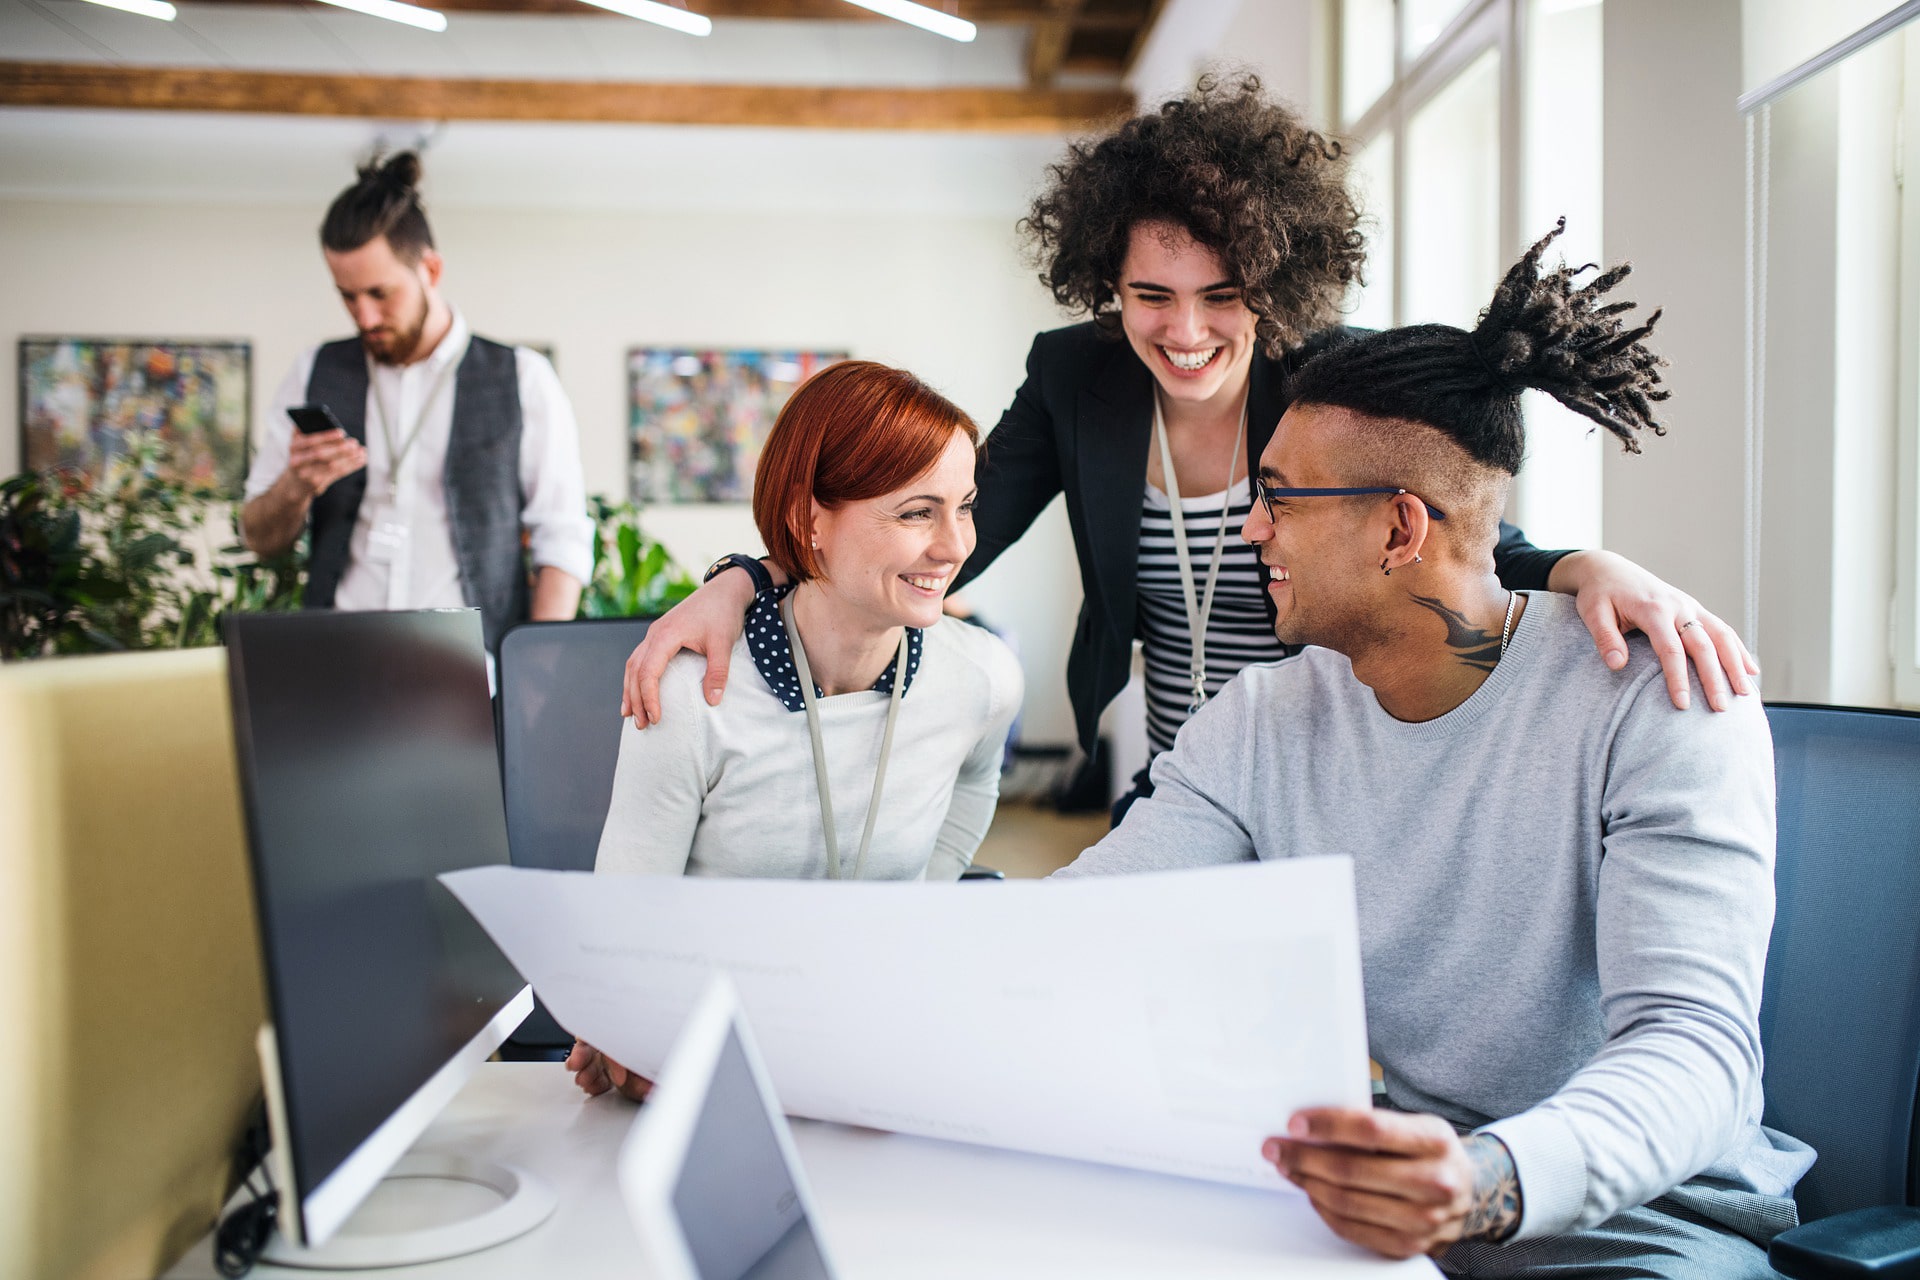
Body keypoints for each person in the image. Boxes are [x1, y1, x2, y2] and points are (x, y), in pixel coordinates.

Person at [615, 77, 1755, 821]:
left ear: (1272, 281)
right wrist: (749, 575)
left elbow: (1453, 532)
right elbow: (932, 528)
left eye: (1223, 294)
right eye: (1150, 295)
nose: (1188, 331)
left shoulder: (1328, 383)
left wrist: (1582, 567)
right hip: (1181, 778)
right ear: (1104, 286)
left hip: (1336, 771)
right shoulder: (1077, 378)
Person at [1054, 225, 1813, 1276]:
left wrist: (1482, 1181)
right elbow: (1079, 931)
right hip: (1389, 1196)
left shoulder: (1662, 700)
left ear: (1400, 529)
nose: (1251, 532)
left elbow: (1697, 1052)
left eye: (1279, 499)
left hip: (1640, 1217)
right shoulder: (1263, 720)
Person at [569, 360, 1024, 1101]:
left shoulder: (981, 679)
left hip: (877, 1055)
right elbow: (625, 927)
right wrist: (627, 1024)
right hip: (716, 1057)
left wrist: (918, 903)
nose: (954, 546)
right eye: (916, 512)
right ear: (811, 518)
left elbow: (975, 781)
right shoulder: (693, 695)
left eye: (963, 506)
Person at [241, 152, 593, 655]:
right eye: (347, 296)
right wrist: (295, 487)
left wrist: (535, 673)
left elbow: (562, 541)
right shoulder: (312, 371)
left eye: (380, 293)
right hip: (334, 669)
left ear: (431, 268)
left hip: (474, 674)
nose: (364, 316)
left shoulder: (523, 378)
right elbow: (259, 534)